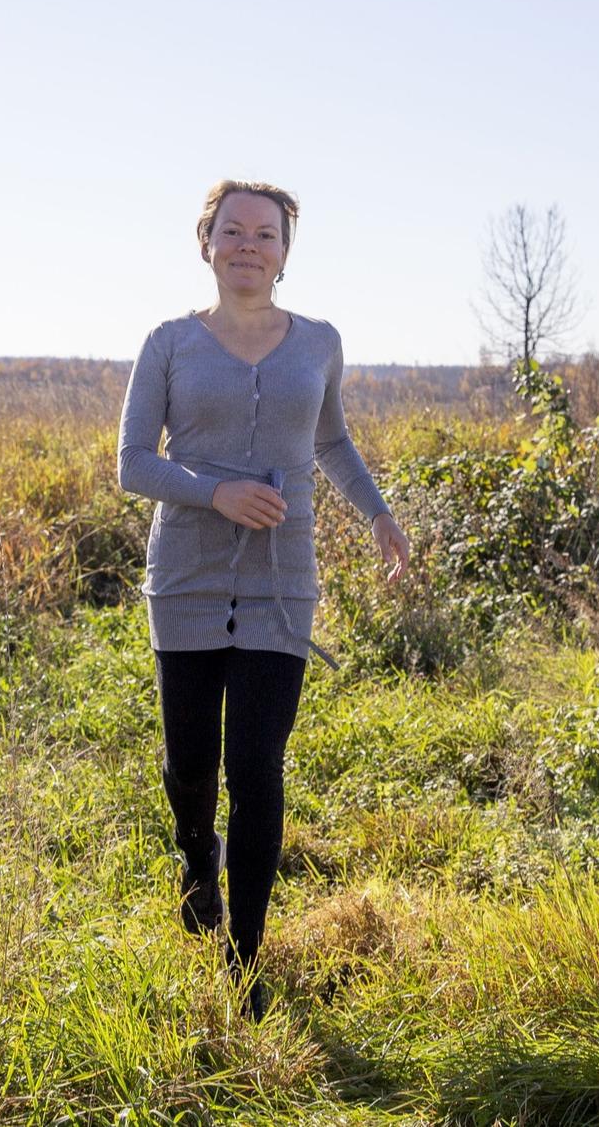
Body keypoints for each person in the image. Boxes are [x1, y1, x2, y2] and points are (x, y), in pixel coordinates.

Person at [115, 178, 412, 1017]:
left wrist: (381, 515)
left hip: (283, 585)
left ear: (286, 252)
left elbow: (332, 440)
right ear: (206, 242)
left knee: (257, 767)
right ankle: (193, 855)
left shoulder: (318, 343)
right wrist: (217, 493)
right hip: (187, 580)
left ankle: (245, 961)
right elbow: (133, 461)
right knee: (191, 769)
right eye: (233, 231)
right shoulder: (169, 342)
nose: (250, 245)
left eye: (266, 235)